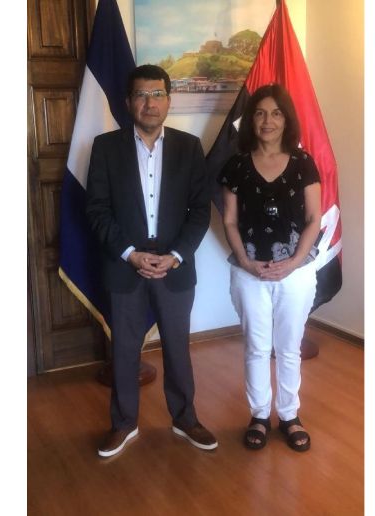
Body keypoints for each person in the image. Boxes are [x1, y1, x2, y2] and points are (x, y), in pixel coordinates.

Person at [86, 64, 216, 458]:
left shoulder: (189, 147)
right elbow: (96, 210)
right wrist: (130, 253)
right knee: (125, 350)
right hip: (125, 264)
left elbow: (200, 211)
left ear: (169, 100)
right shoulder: (105, 147)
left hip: (174, 265)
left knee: (177, 347)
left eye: (157, 94)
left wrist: (175, 256)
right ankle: (123, 424)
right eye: (141, 95)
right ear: (129, 102)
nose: (150, 103)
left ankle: (185, 418)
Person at [218, 84, 322, 452]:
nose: (268, 121)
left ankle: (289, 415)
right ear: (251, 120)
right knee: (257, 348)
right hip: (250, 272)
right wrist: (246, 261)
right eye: (260, 113)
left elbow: (314, 219)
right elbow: (230, 221)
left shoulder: (303, 163)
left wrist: (293, 262)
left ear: (286, 119)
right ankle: (260, 415)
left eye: (276, 113)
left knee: (289, 348)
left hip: (296, 272)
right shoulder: (236, 166)